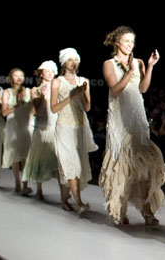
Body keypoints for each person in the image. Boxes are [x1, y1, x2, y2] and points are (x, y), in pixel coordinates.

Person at [99, 26, 165, 225]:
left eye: (132, 41)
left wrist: (150, 66)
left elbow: (143, 88)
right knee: (121, 165)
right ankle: (118, 208)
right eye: (126, 41)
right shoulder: (109, 64)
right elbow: (116, 89)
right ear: (117, 42)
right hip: (120, 119)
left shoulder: (138, 62)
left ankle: (147, 211)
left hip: (137, 117)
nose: (130, 45)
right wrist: (129, 72)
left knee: (143, 165)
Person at [50, 48, 97, 214]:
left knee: (78, 165)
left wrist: (82, 93)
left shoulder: (84, 81)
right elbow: (54, 108)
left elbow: (87, 106)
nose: (73, 62)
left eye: (76, 59)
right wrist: (71, 95)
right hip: (64, 126)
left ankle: (64, 199)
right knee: (71, 164)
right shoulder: (57, 82)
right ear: (64, 62)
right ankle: (78, 202)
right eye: (70, 59)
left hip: (80, 127)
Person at [22, 61, 66, 201]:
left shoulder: (59, 88)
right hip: (42, 129)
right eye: (47, 71)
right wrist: (43, 95)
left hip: (56, 127)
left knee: (59, 162)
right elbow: (39, 111)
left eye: (52, 71)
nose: (50, 74)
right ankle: (39, 190)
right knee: (39, 160)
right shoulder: (34, 90)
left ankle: (63, 194)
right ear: (41, 73)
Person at [1, 68, 34, 194]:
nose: (19, 78)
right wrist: (17, 105)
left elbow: (33, 111)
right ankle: (17, 182)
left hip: (26, 124)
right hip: (13, 125)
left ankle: (25, 184)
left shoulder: (28, 91)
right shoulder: (7, 92)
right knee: (15, 155)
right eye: (16, 75)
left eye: (21, 75)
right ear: (11, 78)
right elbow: (4, 112)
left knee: (25, 155)